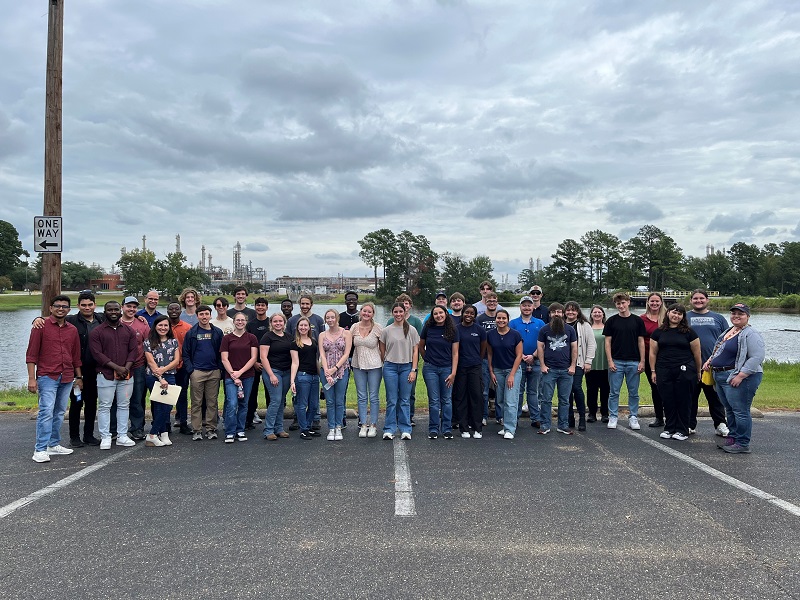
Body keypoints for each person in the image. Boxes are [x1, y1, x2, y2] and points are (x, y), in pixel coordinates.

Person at [26, 295, 82, 462]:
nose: (60, 309)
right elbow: (31, 355)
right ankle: (40, 449)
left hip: (67, 376)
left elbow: (76, 356)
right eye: (57, 306)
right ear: (50, 308)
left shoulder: (72, 330)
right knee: (46, 412)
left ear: (69, 310)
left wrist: (79, 376)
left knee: (59, 412)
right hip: (47, 376)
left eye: (64, 306)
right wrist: (31, 378)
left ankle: (53, 444)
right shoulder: (40, 326)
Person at [705, 303, 765, 454]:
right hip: (721, 375)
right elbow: (719, 349)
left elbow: (757, 357)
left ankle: (743, 442)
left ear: (748, 316)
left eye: (741, 313)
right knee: (730, 410)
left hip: (740, 376)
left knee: (740, 410)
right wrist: (710, 361)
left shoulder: (750, 333)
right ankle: (733, 438)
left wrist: (741, 375)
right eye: (733, 313)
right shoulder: (729, 331)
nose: (736, 316)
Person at [89, 301, 138, 450]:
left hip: (126, 375)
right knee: (105, 406)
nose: (113, 312)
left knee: (124, 405)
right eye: (109, 309)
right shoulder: (97, 332)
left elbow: (133, 351)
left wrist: (126, 368)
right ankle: (105, 436)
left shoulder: (129, 331)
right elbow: (97, 354)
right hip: (105, 374)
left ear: (120, 311)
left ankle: (122, 435)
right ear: (105, 311)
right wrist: (116, 367)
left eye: (116, 309)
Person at [649, 304, 701, 441]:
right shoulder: (658, 332)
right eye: (673, 312)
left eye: (679, 314)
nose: (676, 316)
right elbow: (653, 353)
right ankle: (669, 428)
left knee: (683, 400)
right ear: (668, 313)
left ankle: (682, 429)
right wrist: (653, 371)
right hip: (663, 370)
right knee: (668, 399)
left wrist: (698, 371)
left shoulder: (690, 332)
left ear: (683, 317)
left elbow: (697, 354)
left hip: (685, 370)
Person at [687, 289, 730, 437]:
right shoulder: (685, 317)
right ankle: (689, 424)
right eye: (695, 298)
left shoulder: (718, 318)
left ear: (707, 300)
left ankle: (720, 424)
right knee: (691, 396)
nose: (698, 301)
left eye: (701, 298)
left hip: (712, 366)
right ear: (691, 300)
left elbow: (727, 339)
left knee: (715, 397)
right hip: (691, 365)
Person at [603, 292, 646, 430]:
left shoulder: (637, 321)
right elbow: (607, 342)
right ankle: (613, 416)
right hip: (617, 361)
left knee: (633, 392)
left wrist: (642, 361)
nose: (621, 306)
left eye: (623, 303)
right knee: (614, 391)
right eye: (618, 303)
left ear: (628, 302)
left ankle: (633, 416)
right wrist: (610, 361)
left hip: (634, 361)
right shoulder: (611, 321)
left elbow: (641, 341)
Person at [66, 291, 103, 447]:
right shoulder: (71, 320)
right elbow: (49, 320)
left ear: (95, 305)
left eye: (90, 304)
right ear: (78, 306)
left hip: (96, 370)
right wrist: (37, 319)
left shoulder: (102, 319)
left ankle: (89, 435)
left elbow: (125, 317)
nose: (87, 307)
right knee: (76, 403)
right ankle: (74, 437)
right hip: (77, 370)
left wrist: (140, 317)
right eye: (83, 305)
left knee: (91, 403)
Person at [183, 304, 223, 441]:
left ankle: (211, 428)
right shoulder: (191, 333)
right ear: (197, 316)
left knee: (212, 402)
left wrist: (219, 368)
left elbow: (221, 352)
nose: (204, 317)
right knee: (196, 402)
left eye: (206, 314)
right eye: (201, 314)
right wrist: (191, 370)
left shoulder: (217, 332)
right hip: (197, 372)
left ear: (210, 315)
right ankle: (197, 430)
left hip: (213, 371)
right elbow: (186, 354)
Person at [380, 303, 420, 440]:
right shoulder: (386, 330)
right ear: (392, 313)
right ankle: (389, 428)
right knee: (391, 400)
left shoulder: (412, 330)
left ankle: (405, 428)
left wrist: (413, 369)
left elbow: (416, 351)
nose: (398, 314)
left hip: (406, 367)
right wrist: (386, 362)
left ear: (405, 312)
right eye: (395, 312)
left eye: (400, 311)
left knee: (404, 399)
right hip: (390, 367)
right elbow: (382, 350)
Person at [419, 306, 459, 439]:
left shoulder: (453, 330)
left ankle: (447, 429)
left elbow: (455, 353)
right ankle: (434, 429)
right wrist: (427, 359)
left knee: (447, 400)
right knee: (434, 400)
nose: (438, 315)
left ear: (446, 314)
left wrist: (453, 373)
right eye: (435, 313)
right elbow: (421, 346)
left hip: (447, 369)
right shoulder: (428, 328)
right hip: (430, 369)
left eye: (441, 313)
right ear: (432, 316)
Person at [538, 303, 578, 435]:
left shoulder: (570, 330)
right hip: (549, 370)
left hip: (566, 370)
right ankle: (545, 425)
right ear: (549, 314)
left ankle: (563, 425)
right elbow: (540, 347)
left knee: (564, 400)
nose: (557, 314)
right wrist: (542, 365)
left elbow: (574, 348)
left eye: (559, 312)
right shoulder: (544, 330)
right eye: (554, 312)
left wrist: (573, 365)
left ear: (563, 314)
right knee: (546, 399)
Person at [385, 293, 424, 425]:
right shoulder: (391, 322)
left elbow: (418, 344)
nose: (404, 306)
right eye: (402, 303)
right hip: (392, 363)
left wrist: (414, 366)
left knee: (409, 393)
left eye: (406, 303)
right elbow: (385, 343)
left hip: (409, 363)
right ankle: (395, 417)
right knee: (392, 394)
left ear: (409, 306)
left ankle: (409, 417)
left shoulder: (415, 323)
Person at [220, 313, 259, 443]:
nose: (240, 322)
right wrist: (233, 374)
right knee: (232, 404)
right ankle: (230, 431)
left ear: (246, 322)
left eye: (243, 320)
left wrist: (240, 373)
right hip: (230, 376)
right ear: (234, 322)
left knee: (243, 404)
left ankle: (240, 430)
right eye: (238, 320)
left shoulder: (251, 338)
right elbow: (224, 358)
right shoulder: (227, 338)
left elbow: (253, 358)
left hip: (247, 376)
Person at [143, 315, 181, 447]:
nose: (163, 328)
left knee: (168, 406)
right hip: (153, 377)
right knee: (159, 406)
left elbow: (176, 360)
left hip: (170, 375)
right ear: (155, 326)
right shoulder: (148, 342)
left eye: (166, 325)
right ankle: (153, 434)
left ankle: (163, 433)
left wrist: (164, 370)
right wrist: (160, 378)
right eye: (160, 325)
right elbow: (150, 362)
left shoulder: (173, 341)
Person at [509, 296, 546, 428]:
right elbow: (509, 342)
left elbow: (544, 342)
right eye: (524, 305)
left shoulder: (540, 323)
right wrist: (522, 355)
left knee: (533, 392)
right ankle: (515, 418)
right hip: (519, 362)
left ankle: (535, 418)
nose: (526, 308)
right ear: (520, 307)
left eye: (529, 305)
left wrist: (533, 355)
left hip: (535, 361)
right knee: (518, 391)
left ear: (533, 307)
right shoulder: (513, 323)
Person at [487, 309, 523, 439]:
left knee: (511, 400)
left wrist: (512, 374)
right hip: (498, 370)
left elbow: (519, 356)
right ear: (495, 319)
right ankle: (505, 425)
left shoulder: (515, 335)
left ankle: (510, 429)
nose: (501, 321)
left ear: (508, 320)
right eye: (499, 318)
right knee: (500, 399)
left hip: (512, 370)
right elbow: (490, 354)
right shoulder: (490, 335)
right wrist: (491, 371)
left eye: (504, 318)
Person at [453, 305, 487, 438]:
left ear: (475, 315)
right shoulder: (456, 330)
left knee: (477, 396)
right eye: (467, 312)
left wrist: (476, 360)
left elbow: (483, 348)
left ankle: (477, 427)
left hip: (475, 367)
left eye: (472, 313)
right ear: (462, 313)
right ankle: (464, 428)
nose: (469, 315)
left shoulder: (479, 330)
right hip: (461, 367)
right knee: (461, 397)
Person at [319, 309, 352, 441]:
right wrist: (327, 371)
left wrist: (335, 369)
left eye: (333, 317)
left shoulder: (346, 333)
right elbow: (322, 353)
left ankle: (338, 427)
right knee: (330, 401)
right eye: (328, 318)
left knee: (339, 400)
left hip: (341, 370)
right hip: (326, 371)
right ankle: (331, 428)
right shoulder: (322, 335)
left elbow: (346, 353)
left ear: (337, 318)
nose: (330, 320)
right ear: (325, 320)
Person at [121, 296, 151, 442]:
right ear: (122, 307)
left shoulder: (142, 324)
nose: (131, 309)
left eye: (134, 307)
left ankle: (137, 428)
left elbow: (149, 345)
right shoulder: (113, 321)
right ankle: (114, 429)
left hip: (138, 366)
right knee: (117, 399)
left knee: (137, 399)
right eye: (128, 306)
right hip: (117, 367)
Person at [351, 302, 383, 439]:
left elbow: (383, 349)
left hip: (375, 365)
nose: (366, 314)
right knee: (362, 396)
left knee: (374, 396)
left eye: (369, 312)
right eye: (364, 311)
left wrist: (384, 362)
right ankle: (363, 424)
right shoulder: (354, 327)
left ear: (373, 314)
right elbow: (348, 346)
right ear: (361, 312)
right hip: (358, 365)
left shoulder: (378, 328)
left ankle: (373, 425)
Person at [564, 301, 596, 431]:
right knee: (566, 391)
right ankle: (569, 417)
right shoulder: (561, 324)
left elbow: (592, 344)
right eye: (568, 310)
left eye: (574, 310)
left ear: (578, 311)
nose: (571, 312)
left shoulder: (584, 325)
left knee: (576, 387)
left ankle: (582, 418)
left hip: (578, 362)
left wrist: (588, 361)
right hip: (563, 363)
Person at [260, 313, 292, 441]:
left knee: (281, 400)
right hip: (273, 371)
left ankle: (279, 428)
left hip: (287, 372)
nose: (278, 323)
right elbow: (263, 357)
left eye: (280, 321)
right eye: (275, 321)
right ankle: (268, 430)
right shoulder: (267, 337)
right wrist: (271, 375)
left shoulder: (289, 337)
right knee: (275, 400)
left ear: (284, 323)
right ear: (271, 323)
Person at [289, 316, 321, 440]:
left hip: (314, 376)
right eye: (301, 325)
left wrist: (321, 377)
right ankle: (304, 429)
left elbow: (317, 360)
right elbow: (294, 363)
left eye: (305, 325)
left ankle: (308, 426)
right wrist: (292, 381)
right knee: (302, 405)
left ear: (309, 327)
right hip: (302, 376)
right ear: (297, 328)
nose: (303, 327)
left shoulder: (313, 341)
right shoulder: (295, 343)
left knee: (314, 405)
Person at [166, 302, 193, 435]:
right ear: (167, 311)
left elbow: (189, 348)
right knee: (167, 396)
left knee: (182, 395)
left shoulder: (187, 327)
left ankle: (183, 422)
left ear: (181, 311)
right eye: (171, 309)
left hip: (182, 367)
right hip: (166, 367)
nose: (174, 311)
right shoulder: (163, 326)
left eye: (177, 309)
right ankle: (165, 424)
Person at [641, 292, 666, 428]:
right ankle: (659, 417)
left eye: (657, 301)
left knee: (667, 387)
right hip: (648, 357)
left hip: (665, 358)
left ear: (661, 302)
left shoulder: (667, 317)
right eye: (652, 301)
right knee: (655, 387)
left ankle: (671, 415)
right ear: (648, 302)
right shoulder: (642, 319)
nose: (655, 304)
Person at [245, 298, 270, 429]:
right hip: (253, 363)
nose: (260, 307)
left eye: (263, 305)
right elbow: (247, 344)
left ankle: (272, 422)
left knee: (270, 393)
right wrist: (254, 362)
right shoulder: (250, 324)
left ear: (267, 307)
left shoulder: (271, 322)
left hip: (269, 363)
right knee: (251, 392)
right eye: (258, 305)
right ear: (255, 307)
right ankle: (248, 420)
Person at [477, 292, 500, 425]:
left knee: (500, 389)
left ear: (497, 302)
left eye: (494, 301)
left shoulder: (501, 318)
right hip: (484, 359)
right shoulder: (480, 319)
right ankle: (484, 415)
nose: (491, 303)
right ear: (485, 301)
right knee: (484, 390)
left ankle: (499, 415)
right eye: (489, 301)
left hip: (499, 359)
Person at [338, 291, 360, 429]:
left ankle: (362, 419)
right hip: (343, 357)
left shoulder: (362, 316)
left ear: (357, 301)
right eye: (348, 299)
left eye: (353, 299)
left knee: (361, 389)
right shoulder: (340, 317)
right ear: (345, 301)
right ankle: (341, 419)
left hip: (359, 356)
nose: (351, 301)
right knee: (342, 390)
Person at [585, 305, 610, 424]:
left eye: (599, 312)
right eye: (594, 312)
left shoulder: (608, 328)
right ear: (591, 315)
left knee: (606, 390)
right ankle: (592, 413)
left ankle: (605, 413)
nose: (597, 314)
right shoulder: (587, 328)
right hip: (591, 364)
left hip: (605, 364)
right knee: (591, 391)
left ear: (603, 314)